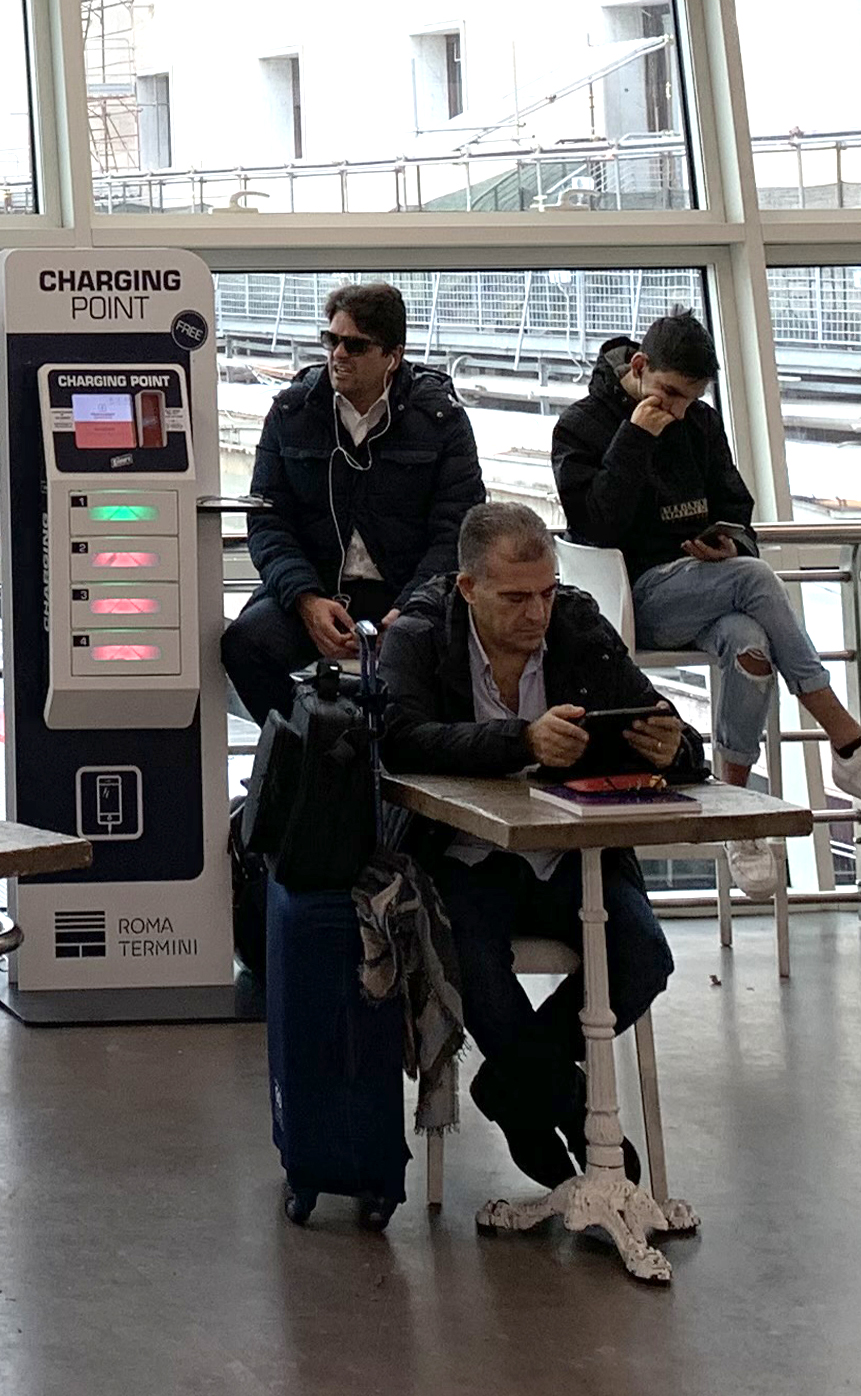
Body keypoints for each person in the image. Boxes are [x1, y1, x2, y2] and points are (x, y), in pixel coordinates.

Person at [553, 308, 861, 898]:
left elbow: (736, 503)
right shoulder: (582, 427)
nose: (678, 409)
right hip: (634, 596)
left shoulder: (700, 424)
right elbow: (594, 526)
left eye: (690, 398)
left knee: (749, 640)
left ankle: (735, 812)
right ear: (639, 368)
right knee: (758, 579)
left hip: (708, 585)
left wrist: (726, 541)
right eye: (670, 394)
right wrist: (635, 438)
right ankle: (849, 741)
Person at [381, 500, 699, 1192]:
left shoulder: (580, 626)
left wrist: (675, 746)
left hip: (573, 857)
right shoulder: (419, 634)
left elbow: (660, 722)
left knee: (642, 956)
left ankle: (513, 1088)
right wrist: (519, 741)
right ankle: (567, 1104)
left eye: (547, 593)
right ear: (468, 588)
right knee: (474, 967)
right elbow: (398, 739)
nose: (537, 614)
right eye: (517, 597)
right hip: (462, 855)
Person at [220, 281, 485, 724]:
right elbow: (267, 522)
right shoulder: (292, 413)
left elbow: (456, 532)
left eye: (355, 345)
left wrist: (410, 609)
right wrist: (306, 600)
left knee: (436, 669)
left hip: (405, 593)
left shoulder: (441, 421)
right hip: (316, 588)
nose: (338, 354)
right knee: (244, 645)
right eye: (332, 340)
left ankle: (387, 757)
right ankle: (315, 746)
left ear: (392, 357)